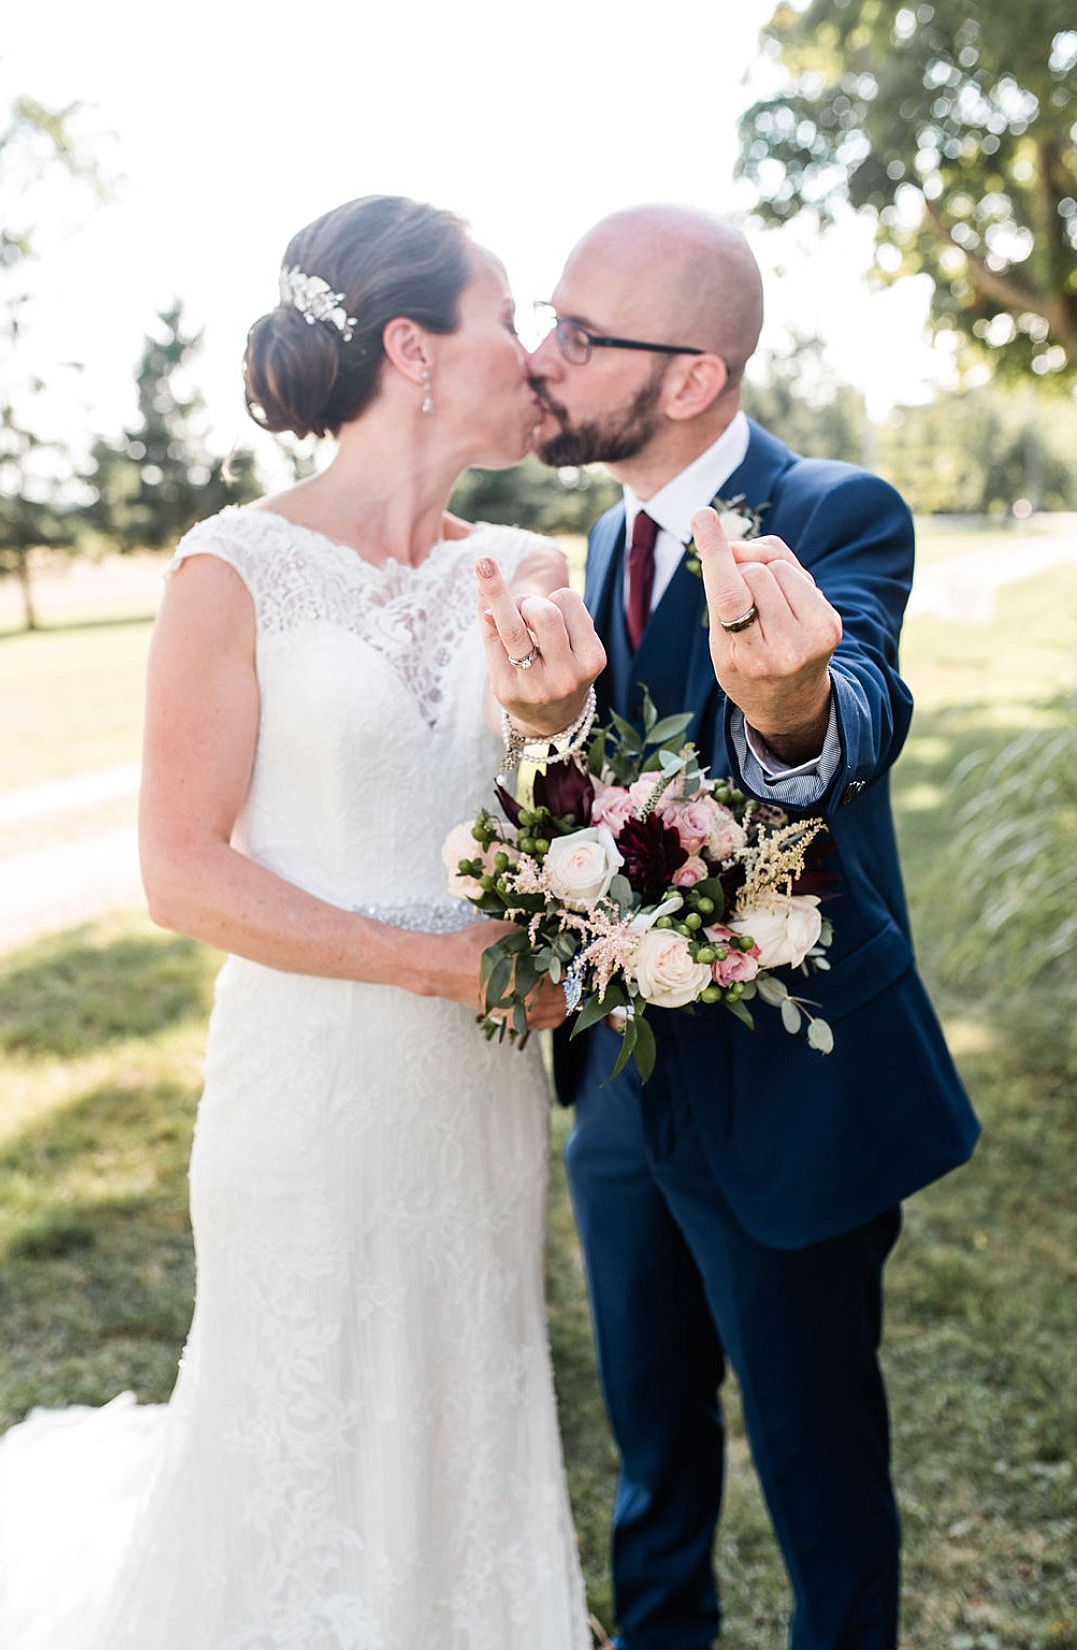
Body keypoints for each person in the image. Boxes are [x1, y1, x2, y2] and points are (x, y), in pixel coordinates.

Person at [0, 195, 600, 1650]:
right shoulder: (229, 569)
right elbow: (181, 870)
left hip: (476, 1089)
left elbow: (569, 835)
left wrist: (554, 731)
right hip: (310, 1079)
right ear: (414, 347)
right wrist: (429, 959)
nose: (532, 352)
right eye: (504, 315)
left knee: (466, 1389)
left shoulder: (525, 567)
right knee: (305, 1405)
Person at [511, 204, 981, 1650]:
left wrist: (787, 702)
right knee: (655, 1466)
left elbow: (848, 708)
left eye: (581, 337)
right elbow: (593, 799)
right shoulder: (598, 541)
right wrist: (549, 734)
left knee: (823, 1483)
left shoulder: (840, 509)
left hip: (800, 1101)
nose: (544, 357)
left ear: (693, 375)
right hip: (625, 1102)